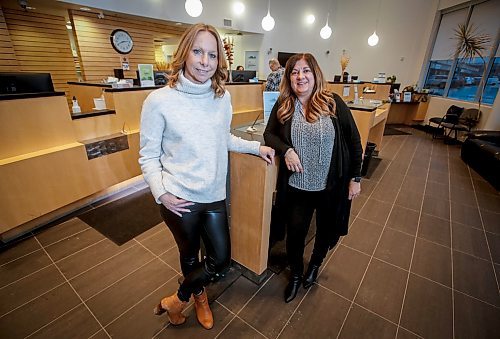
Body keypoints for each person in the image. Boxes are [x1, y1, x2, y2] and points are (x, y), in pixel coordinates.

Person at [139, 23, 275, 329]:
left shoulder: (221, 97)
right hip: (179, 198)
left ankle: (177, 299)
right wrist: (161, 193)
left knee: (220, 261)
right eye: (198, 52)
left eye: (212, 55)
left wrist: (256, 147)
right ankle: (198, 298)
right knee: (189, 256)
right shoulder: (159, 101)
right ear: (185, 53)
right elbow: (148, 156)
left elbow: (222, 138)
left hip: (214, 194)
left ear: (219, 61)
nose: (204, 61)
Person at [263, 53, 362, 303]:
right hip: (298, 187)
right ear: (289, 77)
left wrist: (355, 178)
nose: (300, 76)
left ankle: (315, 266)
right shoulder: (284, 105)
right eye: (295, 72)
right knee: (295, 234)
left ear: (315, 74)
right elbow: (269, 134)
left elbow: (354, 141)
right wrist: (287, 150)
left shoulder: (333, 103)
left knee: (326, 232)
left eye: (305, 71)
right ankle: (296, 274)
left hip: (331, 185)